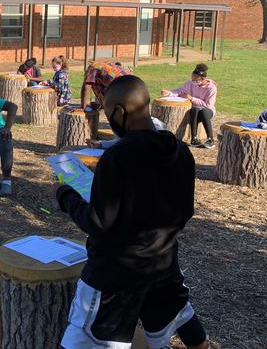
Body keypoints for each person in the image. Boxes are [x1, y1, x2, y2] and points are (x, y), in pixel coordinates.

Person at [53, 75, 209, 349]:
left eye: (106, 112)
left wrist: (65, 194)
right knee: (179, 314)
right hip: (163, 262)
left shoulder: (118, 158)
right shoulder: (181, 151)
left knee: (84, 339)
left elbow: (98, 222)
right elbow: (185, 209)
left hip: (115, 274)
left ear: (119, 112)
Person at [161, 63, 217, 149]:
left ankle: (210, 139)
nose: (193, 81)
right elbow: (180, 91)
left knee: (203, 111)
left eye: (195, 79)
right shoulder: (190, 83)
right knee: (194, 110)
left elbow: (208, 105)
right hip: (194, 112)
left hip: (207, 111)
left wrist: (192, 99)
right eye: (192, 78)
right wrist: (169, 93)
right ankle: (193, 139)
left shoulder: (211, 88)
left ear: (203, 78)